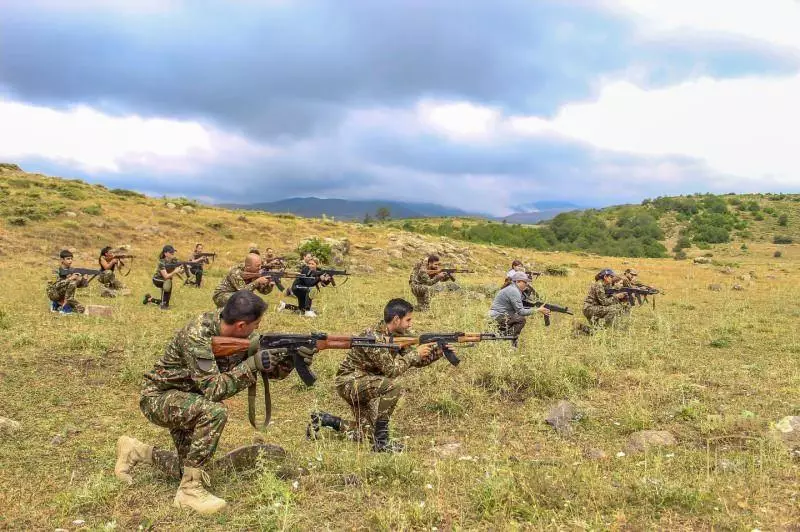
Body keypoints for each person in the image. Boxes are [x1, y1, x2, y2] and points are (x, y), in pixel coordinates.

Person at [114, 291, 312, 515]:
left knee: (186, 467)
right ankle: (189, 492)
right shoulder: (198, 335)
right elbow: (214, 389)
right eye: (255, 324)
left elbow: (269, 370)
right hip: (159, 397)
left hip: (189, 398)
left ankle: (137, 451)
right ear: (240, 325)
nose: (257, 329)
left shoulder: (232, 331)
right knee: (214, 411)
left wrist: (292, 359)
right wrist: (251, 365)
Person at [307, 298, 448, 452]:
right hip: (349, 382)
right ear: (396, 319)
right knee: (393, 387)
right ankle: (382, 443)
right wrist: (415, 353)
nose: (410, 324)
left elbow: (416, 361)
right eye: (408, 320)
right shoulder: (374, 337)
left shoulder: (398, 334)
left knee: (368, 434)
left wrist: (438, 353)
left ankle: (324, 419)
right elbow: (391, 371)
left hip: (367, 383)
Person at [489, 271, 549, 346]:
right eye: (525, 282)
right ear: (518, 281)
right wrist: (538, 310)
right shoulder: (513, 291)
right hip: (498, 316)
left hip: (497, 315)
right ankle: (507, 339)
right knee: (521, 319)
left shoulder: (512, 288)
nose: (527, 284)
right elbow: (521, 312)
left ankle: (503, 337)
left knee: (516, 318)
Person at [143, 245, 197, 310]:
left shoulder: (174, 260)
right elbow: (165, 276)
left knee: (165, 300)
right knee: (168, 282)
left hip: (166, 280)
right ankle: (163, 306)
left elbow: (181, 271)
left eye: (173, 251)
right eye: (170, 252)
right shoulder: (161, 262)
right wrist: (175, 271)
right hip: (157, 279)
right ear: (165, 253)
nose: (172, 253)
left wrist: (186, 267)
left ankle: (150, 299)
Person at [46, 249, 90, 313]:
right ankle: (62, 306)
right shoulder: (55, 271)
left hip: (65, 295)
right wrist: (70, 278)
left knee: (81, 310)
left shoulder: (72, 270)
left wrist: (84, 279)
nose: (70, 261)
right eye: (68, 259)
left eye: (71, 259)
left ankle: (59, 306)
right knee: (72, 282)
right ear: (62, 260)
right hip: (53, 294)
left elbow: (80, 286)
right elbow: (55, 286)